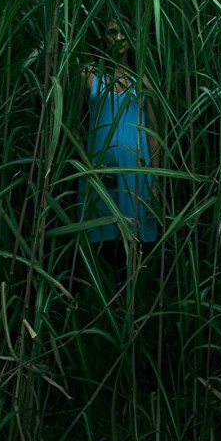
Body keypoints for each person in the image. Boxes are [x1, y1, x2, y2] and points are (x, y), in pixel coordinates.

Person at [79, 18, 161, 272]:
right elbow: (72, 127)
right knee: (99, 247)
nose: (118, 38)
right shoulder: (89, 76)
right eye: (111, 31)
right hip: (98, 174)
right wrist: (87, 165)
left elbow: (154, 134)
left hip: (137, 177)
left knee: (136, 250)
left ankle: (134, 305)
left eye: (124, 32)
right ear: (102, 35)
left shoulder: (143, 82)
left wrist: (156, 182)